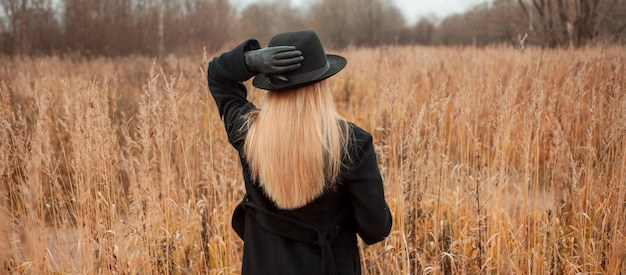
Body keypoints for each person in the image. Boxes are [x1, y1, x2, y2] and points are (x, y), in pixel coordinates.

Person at [207, 30, 392, 275]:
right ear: (322, 83)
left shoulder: (248, 133)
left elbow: (218, 75)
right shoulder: (352, 143)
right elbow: (376, 229)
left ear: (270, 84)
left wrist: (249, 61)